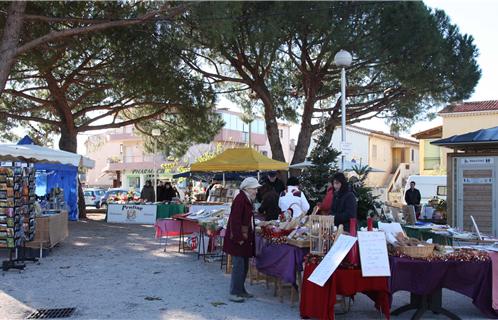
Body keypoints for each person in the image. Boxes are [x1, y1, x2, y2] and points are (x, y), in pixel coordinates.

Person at [223, 177, 261, 303]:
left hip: (244, 238)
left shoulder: (246, 198)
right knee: (239, 266)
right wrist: (238, 238)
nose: (256, 191)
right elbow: (235, 220)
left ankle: (241, 290)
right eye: (255, 188)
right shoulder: (240, 199)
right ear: (248, 189)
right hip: (238, 239)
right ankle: (234, 292)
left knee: (244, 265)